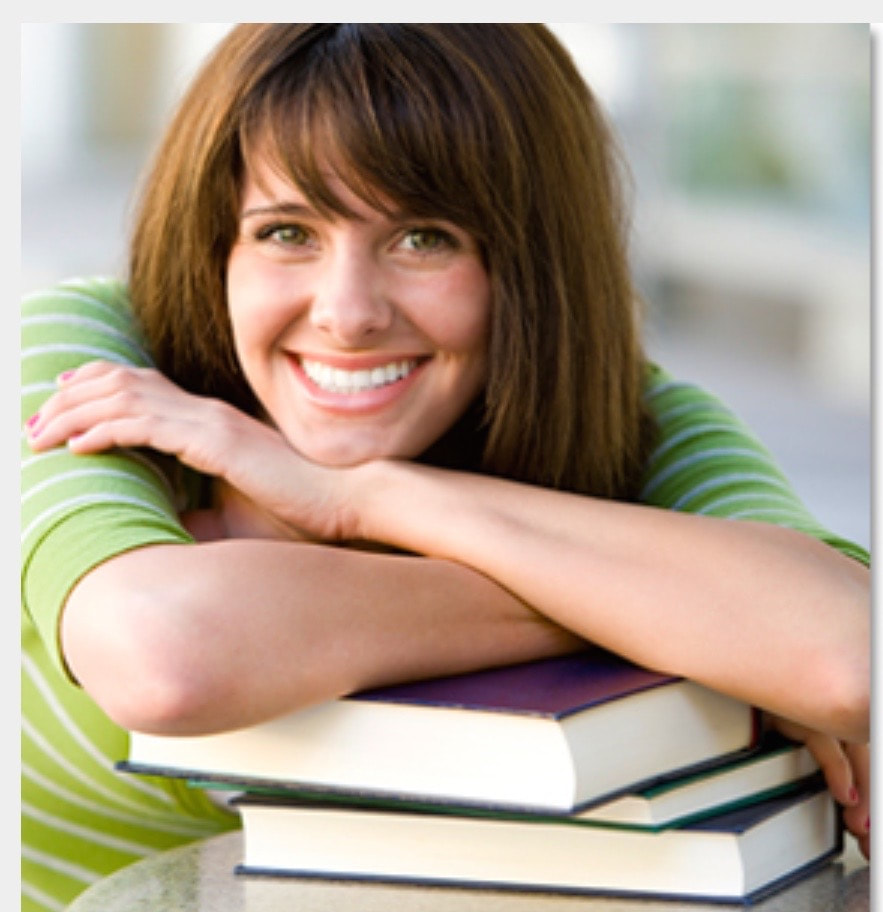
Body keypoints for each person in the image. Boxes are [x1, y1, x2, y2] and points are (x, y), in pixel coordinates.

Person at [21, 23, 869, 912]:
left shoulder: (641, 425)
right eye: (285, 232)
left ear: (531, 266)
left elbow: (846, 655)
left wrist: (366, 499)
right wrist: (664, 617)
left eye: (424, 238)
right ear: (215, 247)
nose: (347, 314)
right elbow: (166, 656)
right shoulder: (90, 360)